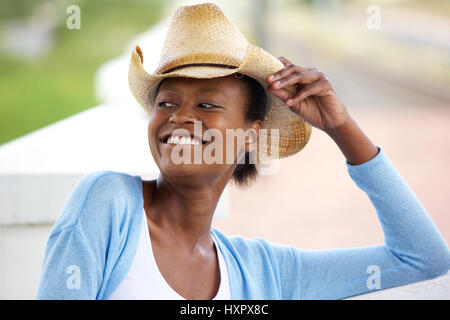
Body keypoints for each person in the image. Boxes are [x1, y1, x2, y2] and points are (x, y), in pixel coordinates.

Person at [36, 3, 450, 300]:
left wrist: (342, 128)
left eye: (207, 104)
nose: (179, 117)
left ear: (250, 136)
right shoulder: (108, 204)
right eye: (166, 102)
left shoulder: (268, 273)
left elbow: (421, 257)